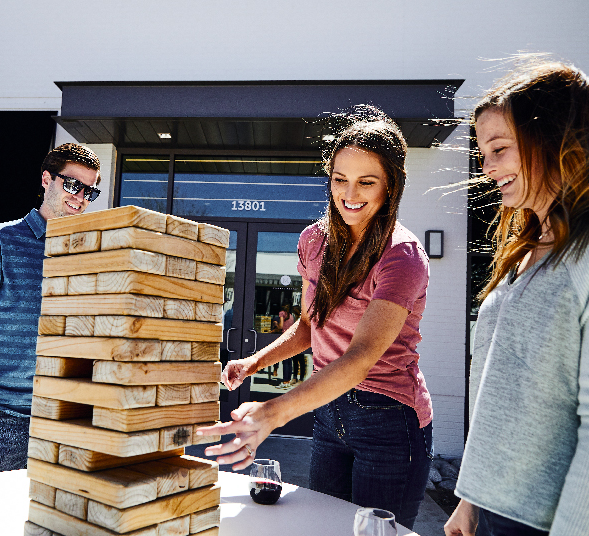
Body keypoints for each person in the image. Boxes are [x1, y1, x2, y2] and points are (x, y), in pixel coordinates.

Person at [198, 108, 433, 530]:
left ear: (390, 185)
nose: (349, 192)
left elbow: (361, 357)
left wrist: (273, 413)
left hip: (389, 420)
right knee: (323, 527)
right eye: (339, 178)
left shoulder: (403, 256)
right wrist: (255, 362)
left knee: (373, 531)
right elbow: (310, 325)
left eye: (366, 181)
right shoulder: (314, 240)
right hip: (328, 409)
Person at [444, 62, 589, 536]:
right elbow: (495, 387)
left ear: (554, 141)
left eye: (499, 150)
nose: (486, 169)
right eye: (483, 154)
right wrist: (468, 498)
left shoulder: (582, 262)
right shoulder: (523, 252)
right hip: (490, 510)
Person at [0, 143, 100, 478]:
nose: (80, 196)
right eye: (72, 184)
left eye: (90, 191)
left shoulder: (89, 256)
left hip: (61, 418)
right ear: (46, 179)